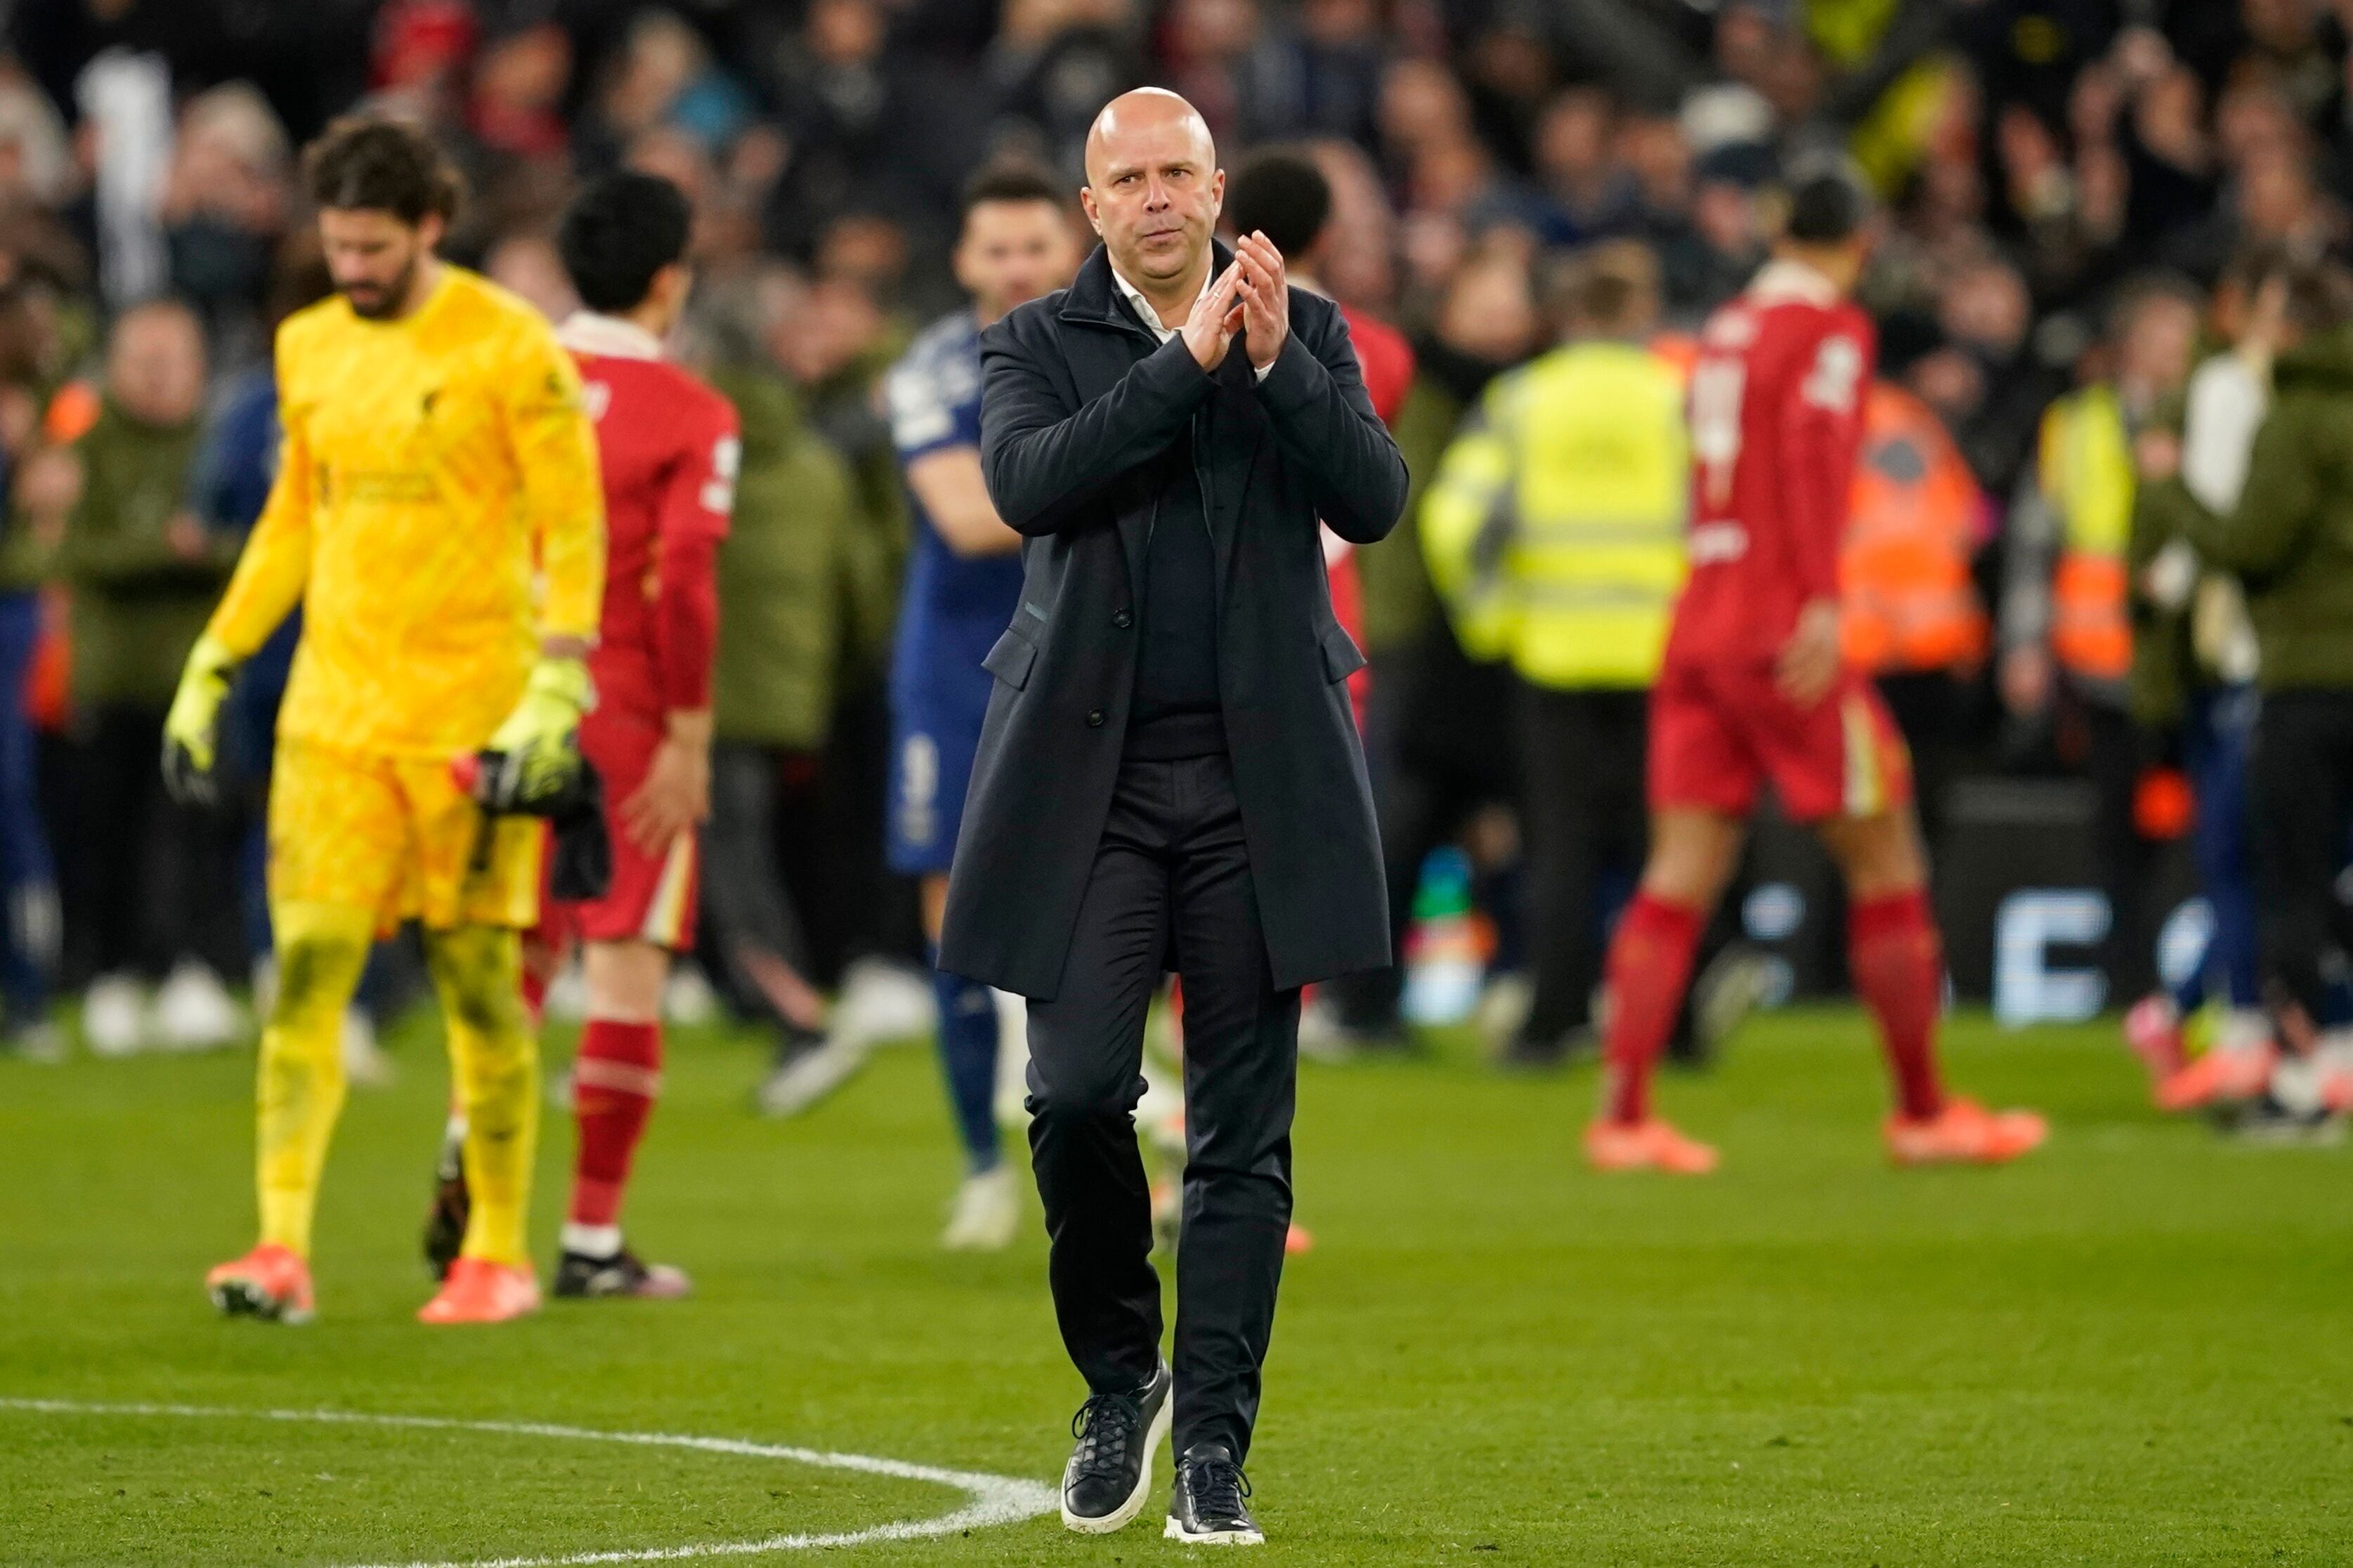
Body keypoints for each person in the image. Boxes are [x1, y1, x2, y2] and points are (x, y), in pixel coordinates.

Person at [941, 89, 1405, 1544]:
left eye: (1177, 173)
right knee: (1074, 1095)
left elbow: (1376, 500)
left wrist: (1271, 366)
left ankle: (1213, 1442)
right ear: (1092, 211)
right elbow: (1030, 486)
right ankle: (1120, 1377)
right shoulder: (1027, 343)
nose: (1155, 197)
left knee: (1242, 1142)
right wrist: (1188, 367)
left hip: (1261, 778)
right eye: (1126, 178)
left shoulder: (1304, 327)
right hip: (1093, 782)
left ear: (1217, 192)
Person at [164, 117, 604, 1326]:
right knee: (304, 972)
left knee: (472, 983)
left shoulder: (510, 348)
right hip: (332, 720)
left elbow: (572, 525)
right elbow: (293, 522)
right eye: (337, 244)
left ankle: (498, 1253)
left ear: (427, 227)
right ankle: (280, 1246)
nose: (351, 267)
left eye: (372, 246)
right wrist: (217, 654)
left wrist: (558, 683)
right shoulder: (306, 346)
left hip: (472, 719)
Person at [1586, 168, 2047, 1174]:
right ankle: (1924, 1111)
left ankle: (1622, 1117)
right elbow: (1809, 454)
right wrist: (1823, 601)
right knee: (1886, 849)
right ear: (1860, 242)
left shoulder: (1726, 328)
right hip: (1776, 621)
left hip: (1696, 617)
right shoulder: (1829, 331)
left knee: (1680, 870)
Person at [429, 171, 736, 1300]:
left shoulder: (501, 380)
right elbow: (686, 584)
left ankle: (472, 1152)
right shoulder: (693, 413)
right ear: (669, 278)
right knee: (622, 961)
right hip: (620, 706)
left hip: (493, 692)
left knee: (516, 952)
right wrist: (689, 735)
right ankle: (593, 1240)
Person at [1419, 241, 1689, 1066]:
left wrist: (1491, 623)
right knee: (1663, 850)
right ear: (1638, 313)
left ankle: (1553, 1020)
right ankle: (1668, 1025)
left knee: (1560, 849)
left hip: (1553, 653)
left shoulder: (1523, 400)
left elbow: (1451, 523)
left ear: (1567, 316)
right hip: (1662, 658)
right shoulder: (1676, 399)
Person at [884, 163, 1078, 1252]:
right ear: (963, 261)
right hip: (957, 666)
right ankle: (979, 1168)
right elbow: (965, 518)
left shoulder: (1118, 351)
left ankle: (1129, 1142)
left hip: (1086, 658)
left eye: (1032, 249)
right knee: (955, 922)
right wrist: (1114, 459)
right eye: (994, 250)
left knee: (1114, 897)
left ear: (1068, 251)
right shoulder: (927, 370)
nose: (1014, 268)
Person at [2175, 257, 2353, 1134]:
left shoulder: (2293, 421)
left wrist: (2173, 495)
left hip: (2303, 682)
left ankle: (2299, 1079)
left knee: (2291, 879)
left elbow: (2251, 542)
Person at [53, 299, 247, 1057]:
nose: (161, 374)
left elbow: (262, 546)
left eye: (174, 358)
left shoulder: (221, 441)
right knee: (106, 835)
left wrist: (206, 549)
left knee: (197, 836)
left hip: (197, 683)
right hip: (112, 679)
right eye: (146, 359)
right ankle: (108, 979)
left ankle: (190, 976)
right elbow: (72, 549)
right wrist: (169, 550)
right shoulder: (87, 439)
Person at [2000, 280, 2202, 1000]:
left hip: (2186, 662)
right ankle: (2128, 977)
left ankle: (2199, 974)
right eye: (2157, 338)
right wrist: (2023, 645)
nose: (2169, 354)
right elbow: (2033, 542)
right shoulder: (2075, 424)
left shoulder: (2210, 421)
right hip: (2101, 667)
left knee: (2195, 824)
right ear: (2128, 347)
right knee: (2115, 831)